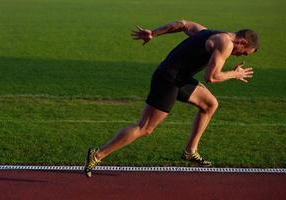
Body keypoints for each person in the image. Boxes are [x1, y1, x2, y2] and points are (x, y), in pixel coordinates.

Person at [84, 19, 258, 177]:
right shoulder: (225, 43)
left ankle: (190, 150)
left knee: (210, 104)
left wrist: (153, 33)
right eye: (244, 53)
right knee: (144, 128)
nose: (240, 55)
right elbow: (211, 77)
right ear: (242, 42)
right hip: (168, 79)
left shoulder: (209, 32)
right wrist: (234, 74)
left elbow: (182, 24)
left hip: (179, 78)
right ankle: (98, 155)